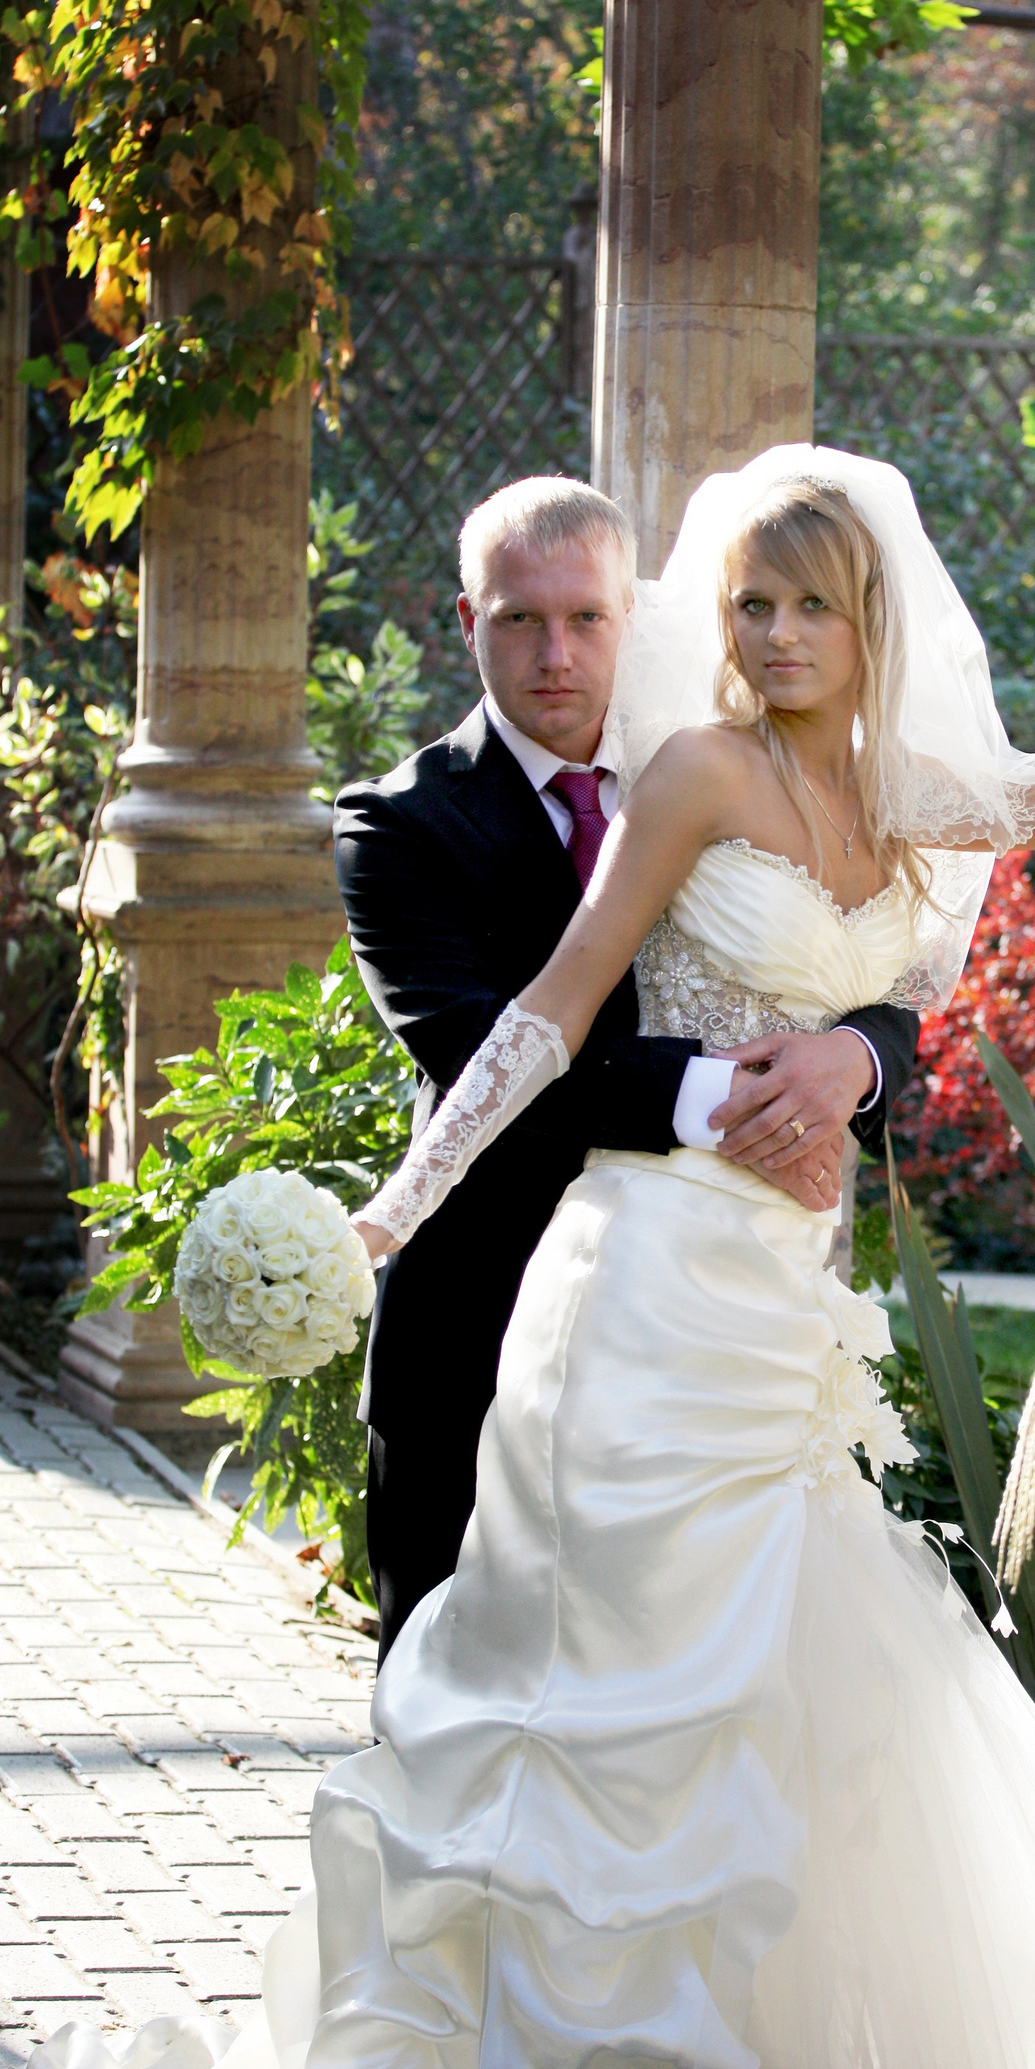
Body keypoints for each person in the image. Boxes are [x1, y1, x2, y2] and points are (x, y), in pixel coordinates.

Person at [4, 449, 1035, 2069]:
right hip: (645, 1286)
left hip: (783, 1314)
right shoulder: (696, 774)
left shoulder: (909, 794)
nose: (779, 634)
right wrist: (393, 1211)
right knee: (584, 1695)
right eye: (750, 603)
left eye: (813, 605)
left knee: (755, 1701)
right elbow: (552, 1007)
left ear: (871, 623)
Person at [333, 478, 922, 1654]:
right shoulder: (397, 824)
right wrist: (742, 1102)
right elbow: (477, 1043)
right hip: (484, 1308)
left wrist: (851, 1056)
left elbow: (861, 971)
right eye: (519, 619)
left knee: (706, 1651)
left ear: (633, 620)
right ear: (470, 619)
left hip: (713, 1315)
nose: (556, 654)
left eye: (586, 618)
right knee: (456, 1679)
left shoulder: (728, 761)